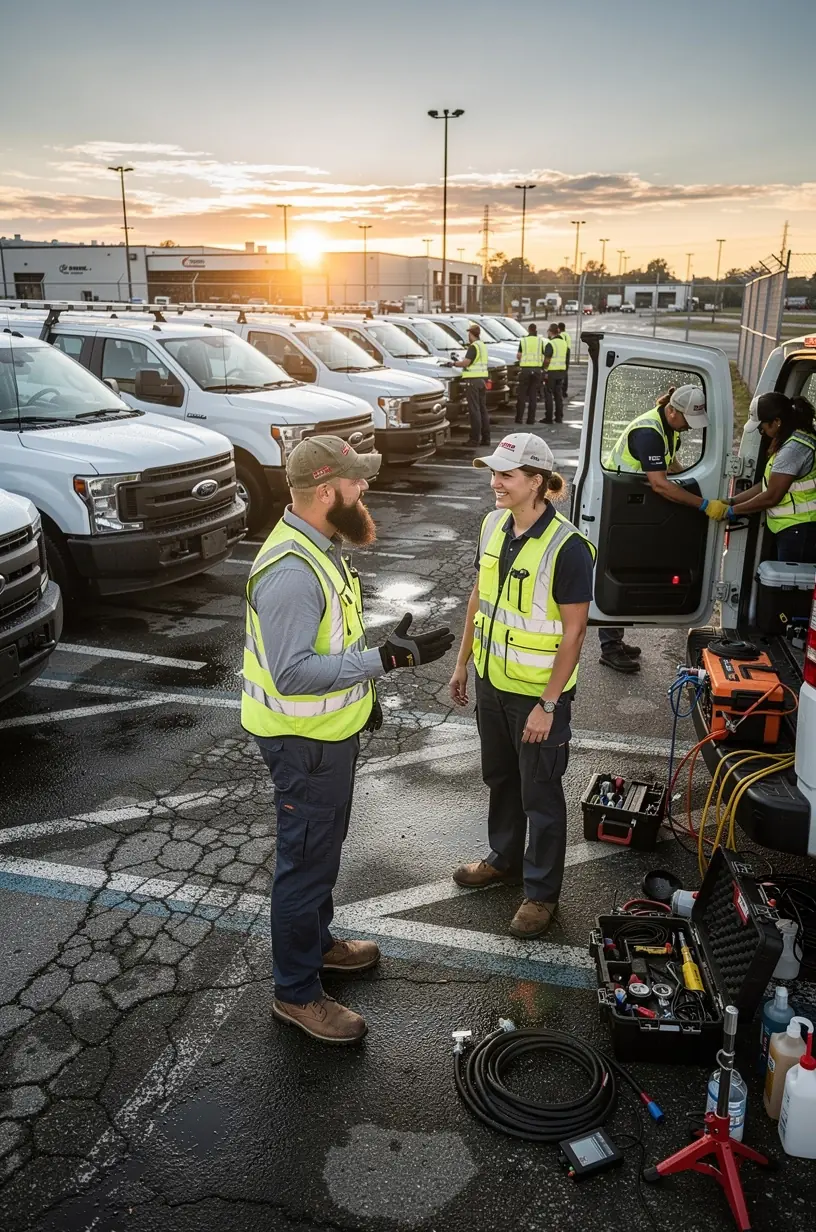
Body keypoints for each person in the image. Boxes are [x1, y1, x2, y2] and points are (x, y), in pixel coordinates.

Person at [242, 436, 455, 1044]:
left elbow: (331, 649)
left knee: (321, 852)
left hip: (326, 734)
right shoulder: (290, 570)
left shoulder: (320, 548)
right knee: (305, 864)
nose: (365, 490)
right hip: (300, 742)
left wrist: (366, 693)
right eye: (357, 481)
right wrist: (382, 663)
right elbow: (291, 673)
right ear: (327, 489)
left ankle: (318, 946)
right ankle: (297, 993)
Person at [449, 433, 595, 939]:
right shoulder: (492, 525)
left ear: (537, 482)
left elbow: (575, 632)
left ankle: (540, 895)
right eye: (493, 473)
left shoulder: (569, 548)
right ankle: (504, 859)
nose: (495, 483)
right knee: (501, 779)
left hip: (538, 696)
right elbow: (479, 597)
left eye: (506, 475)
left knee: (541, 795)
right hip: (491, 682)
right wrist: (463, 662)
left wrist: (548, 705)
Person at [598, 384, 714, 673]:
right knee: (621, 571)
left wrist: (694, 480)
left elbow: (670, 465)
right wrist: (702, 503)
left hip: (636, 502)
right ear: (672, 410)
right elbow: (660, 483)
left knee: (630, 568)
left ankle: (615, 638)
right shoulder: (649, 432)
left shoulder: (668, 426)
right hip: (621, 505)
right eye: (687, 420)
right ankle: (609, 647)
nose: (689, 427)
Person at [726, 393, 816, 562]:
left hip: (800, 528)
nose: (763, 433)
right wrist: (732, 501)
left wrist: (732, 511)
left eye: (763, 428)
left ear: (777, 422)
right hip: (793, 527)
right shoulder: (791, 440)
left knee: (790, 585)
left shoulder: (793, 450)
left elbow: (771, 496)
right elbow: (766, 485)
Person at [454, 322, 490, 446]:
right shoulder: (482, 346)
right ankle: (486, 438)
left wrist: (453, 364)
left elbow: (466, 363)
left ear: (470, 334)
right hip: (482, 380)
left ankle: (474, 439)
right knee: (483, 410)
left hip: (472, 381)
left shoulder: (473, 346)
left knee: (474, 410)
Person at [515, 323, 546, 425]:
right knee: (533, 395)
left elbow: (519, 355)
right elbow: (543, 355)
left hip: (525, 369)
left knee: (522, 395)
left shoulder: (523, 341)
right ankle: (530, 420)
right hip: (536, 370)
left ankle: (519, 418)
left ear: (528, 330)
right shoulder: (540, 341)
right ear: (535, 330)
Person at [540, 323, 569, 424]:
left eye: (548, 331)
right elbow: (567, 359)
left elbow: (547, 360)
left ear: (550, 331)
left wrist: (544, 370)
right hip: (561, 372)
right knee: (558, 395)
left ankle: (548, 417)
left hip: (551, 372)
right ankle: (559, 417)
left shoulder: (550, 344)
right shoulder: (564, 343)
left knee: (548, 394)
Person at [557, 321, 571, 400]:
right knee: (565, 372)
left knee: (563, 372)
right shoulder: (567, 335)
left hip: (564, 353)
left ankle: (562, 391)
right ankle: (564, 391)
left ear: (559, 329)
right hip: (568, 352)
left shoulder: (562, 335)